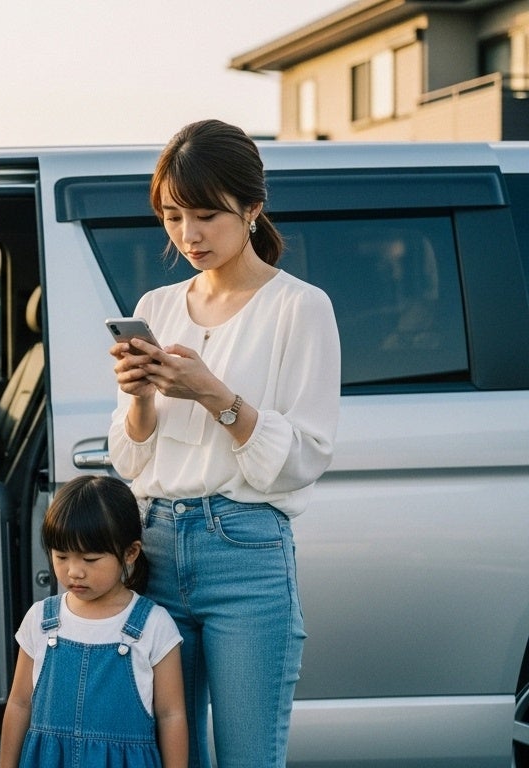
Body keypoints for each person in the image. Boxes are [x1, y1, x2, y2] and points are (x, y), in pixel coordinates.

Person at [107, 118, 341, 767]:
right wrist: (142, 395)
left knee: (246, 755)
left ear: (253, 208)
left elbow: (300, 462)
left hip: (246, 548)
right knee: (166, 756)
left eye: (207, 215)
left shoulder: (300, 307)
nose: (189, 234)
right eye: (174, 215)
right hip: (153, 544)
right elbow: (131, 458)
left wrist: (214, 393)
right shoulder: (158, 302)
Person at [0, 475, 186, 768]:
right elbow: (20, 703)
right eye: (61, 557)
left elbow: (171, 715)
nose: (74, 571)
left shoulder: (154, 625)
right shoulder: (41, 620)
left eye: (90, 559)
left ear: (130, 553)